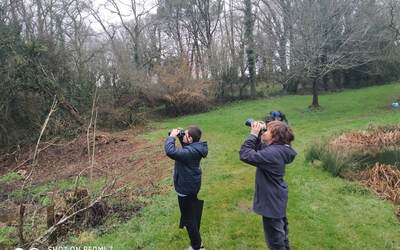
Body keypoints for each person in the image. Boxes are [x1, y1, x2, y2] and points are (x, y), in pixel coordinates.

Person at [239, 120, 297, 250]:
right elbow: (261, 149)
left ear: (275, 137)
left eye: (268, 130)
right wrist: (260, 135)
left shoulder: (273, 153)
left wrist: (253, 135)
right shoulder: (278, 149)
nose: (264, 131)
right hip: (276, 198)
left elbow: (245, 154)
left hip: (271, 202)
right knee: (282, 236)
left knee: (275, 242)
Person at [165, 126, 208, 250]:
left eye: (185, 135)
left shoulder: (190, 152)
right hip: (191, 185)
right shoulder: (196, 147)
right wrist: (180, 136)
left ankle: (197, 246)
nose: (183, 136)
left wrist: (172, 137)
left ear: (190, 139)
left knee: (189, 219)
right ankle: (189, 223)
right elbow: (186, 148)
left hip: (186, 188)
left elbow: (170, 151)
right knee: (190, 212)